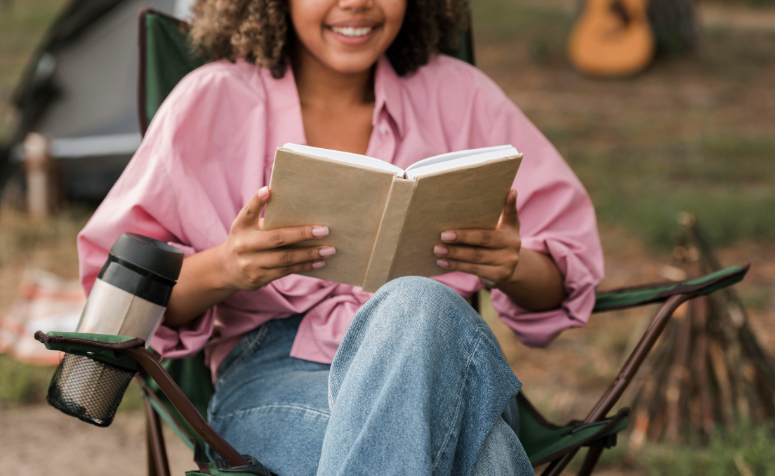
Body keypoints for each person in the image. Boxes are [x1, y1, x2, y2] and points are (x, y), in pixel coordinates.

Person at [77, 0, 604, 473]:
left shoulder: (460, 94)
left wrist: (512, 266)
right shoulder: (212, 99)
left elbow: (562, 280)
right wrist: (227, 267)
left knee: (418, 304)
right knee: (486, 457)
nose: (357, 3)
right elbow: (121, 295)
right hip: (276, 376)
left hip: (446, 365)